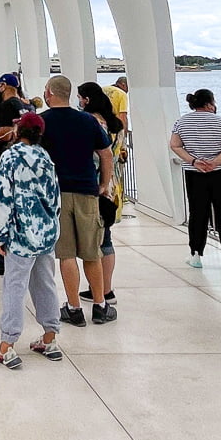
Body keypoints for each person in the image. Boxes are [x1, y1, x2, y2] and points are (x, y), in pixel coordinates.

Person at [40, 75, 115, 324]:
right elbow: (105, 154)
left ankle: (73, 308)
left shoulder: (42, 121)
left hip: (56, 194)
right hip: (87, 192)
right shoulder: (87, 121)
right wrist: (104, 184)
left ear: (49, 93)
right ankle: (100, 305)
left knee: (67, 253)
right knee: (92, 252)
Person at [0, 111, 63, 367]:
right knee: (45, 283)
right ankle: (50, 336)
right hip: (46, 232)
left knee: (15, 286)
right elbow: (55, 197)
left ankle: (7, 344)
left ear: (19, 131)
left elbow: (3, 199)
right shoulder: (46, 158)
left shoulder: (9, 157)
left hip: (20, 235)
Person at [170, 88, 221, 269]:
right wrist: (215, 162)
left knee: (197, 214)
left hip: (195, 174)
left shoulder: (182, 122)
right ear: (210, 103)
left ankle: (195, 255)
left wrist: (194, 161)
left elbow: (175, 145)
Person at [78, 80, 125, 301]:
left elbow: (96, 156)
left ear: (86, 99)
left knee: (97, 240)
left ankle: (101, 291)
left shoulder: (92, 123)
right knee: (107, 237)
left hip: (96, 183)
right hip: (114, 184)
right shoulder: (116, 124)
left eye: (80, 98)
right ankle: (107, 287)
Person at [0, 74, 28, 148]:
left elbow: (6, 134)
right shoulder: (19, 103)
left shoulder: (7, 104)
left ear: (3, 86)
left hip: (7, 149)